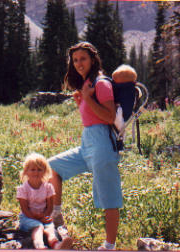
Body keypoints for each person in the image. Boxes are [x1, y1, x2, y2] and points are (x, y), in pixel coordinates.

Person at [49, 42, 122, 251]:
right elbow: (91, 115)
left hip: (102, 144)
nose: (79, 63)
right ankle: (56, 216)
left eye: (83, 59)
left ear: (92, 59)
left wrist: (88, 98)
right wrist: (82, 99)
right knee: (52, 166)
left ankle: (109, 246)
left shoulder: (101, 84)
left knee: (109, 196)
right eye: (75, 60)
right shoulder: (87, 85)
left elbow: (108, 117)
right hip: (87, 142)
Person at [17, 152, 73, 249]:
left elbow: (50, 206)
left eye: (39, 169)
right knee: (39, 226)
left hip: (43, 216)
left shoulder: (48, 187)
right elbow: (25, 209)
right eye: (33, 169)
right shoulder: (23, 189)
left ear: (45, 171)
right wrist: (38, 218)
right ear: (26, 171)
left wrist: (46, 216)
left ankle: (56, 245)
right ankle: (40, 246)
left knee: (50, 228)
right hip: (27, 218)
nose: (36, 172)